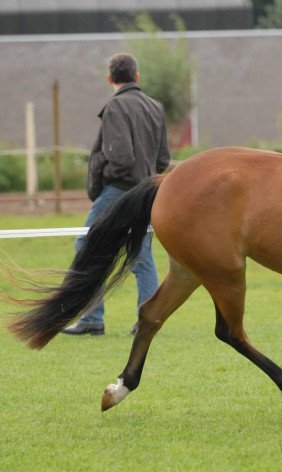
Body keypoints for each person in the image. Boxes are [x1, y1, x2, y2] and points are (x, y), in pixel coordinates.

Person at [62, 53, 171, 337]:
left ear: (110, 78)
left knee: (86, 245)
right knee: (142, 256)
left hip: (119, 190)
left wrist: (104, 174)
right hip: (146, 191)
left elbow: (121, 158)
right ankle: (147, 321)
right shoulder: (155, 107)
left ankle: (91, 319)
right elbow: (163, 159)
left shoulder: (115, 107)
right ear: (136, 77)